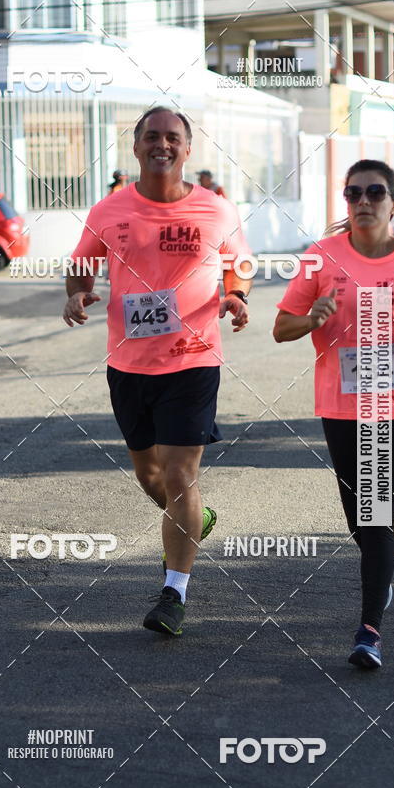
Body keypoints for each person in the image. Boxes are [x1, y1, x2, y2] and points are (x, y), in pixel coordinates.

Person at [63, 106, 252, 636]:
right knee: (150, 477)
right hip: (128, 364)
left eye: (172, 137)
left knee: (179, 475)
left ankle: (174, 592)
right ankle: (195, 520)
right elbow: (81, 263)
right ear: (136, 146)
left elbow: (239, 264)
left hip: (193, 359)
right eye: (152, 136)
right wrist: (77, 294)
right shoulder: (109, 209)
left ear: (187, 149)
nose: (161, 145)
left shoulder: (216, 208)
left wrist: (237, 296)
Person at [273, 159, 394, 669]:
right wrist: (312, 318)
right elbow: (282, 328)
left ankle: (369, 630)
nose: (364, 201)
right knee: (360, 518)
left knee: (375, 514)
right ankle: (381, 576)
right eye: (354, 193)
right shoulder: (321, 257)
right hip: (341, 402)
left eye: (375, 192)